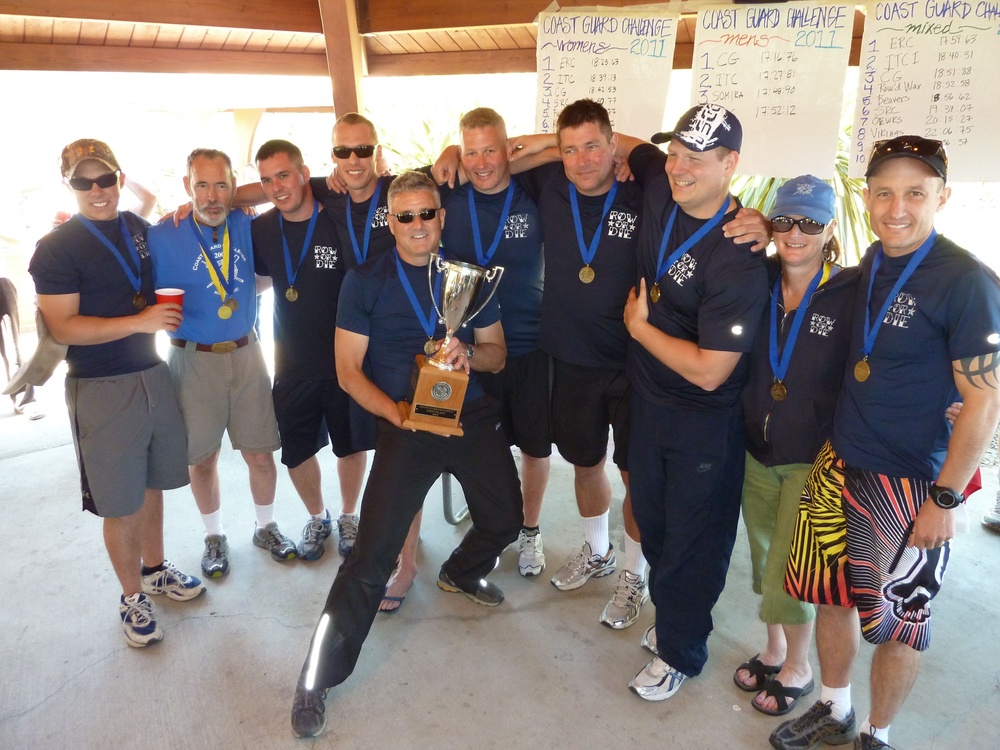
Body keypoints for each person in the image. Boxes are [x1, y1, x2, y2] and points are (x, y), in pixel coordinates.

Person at [771, 136, 1000, 750]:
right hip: (838, 465)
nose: (897, 207)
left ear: (942, 198)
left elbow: (984, 400)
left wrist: (945, 499)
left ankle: (878, 733)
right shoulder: (872, 262)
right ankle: (834, 706)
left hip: (911, 488)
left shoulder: (967, 280)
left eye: (915, 193)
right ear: (867, 197)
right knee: (828, 598)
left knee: (902, 627)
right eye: (885, 192)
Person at [290, 171, 523, 738]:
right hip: (405, 423)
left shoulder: (467, 276)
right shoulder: (365, 280)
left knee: (506, 519)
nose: (418, 225)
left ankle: (460, 573)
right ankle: (315, 679)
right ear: (390, 222)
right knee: (371, 556)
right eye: (405, 217)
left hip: (471, 419)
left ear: (442, 217)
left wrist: (469, 351)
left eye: (427, 214)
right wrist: (398, 416)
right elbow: (348, 372)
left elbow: (498, 355)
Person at [619, 104, 770, 701]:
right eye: (676, 153)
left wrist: (641, 330)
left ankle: (683, 649)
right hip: (648, 405)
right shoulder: (663, 183)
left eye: (696, 160)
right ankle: (674, 617)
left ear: (731, 165)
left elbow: (712, 373)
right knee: (652, 523)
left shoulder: (738, 256)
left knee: (693, 540)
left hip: (702, 422)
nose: (679, 168)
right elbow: (624, 140)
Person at [28, 138, 204, 647]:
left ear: (120, 179)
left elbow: (164, 230)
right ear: (69, 185)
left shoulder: (137, 229)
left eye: (105, 179)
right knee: (119, 503)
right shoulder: (56, 247)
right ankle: (132, 598)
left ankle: (155, 570)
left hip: (152, 373)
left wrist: (188, 210)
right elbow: (62, 327)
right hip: (100, 386)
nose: (97, 190)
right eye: (83, 181)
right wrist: (140, 321)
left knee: (151, 485)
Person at [735, 176, 859, 715]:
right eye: (785, 220)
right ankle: (775, 646)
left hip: (813, 456)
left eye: (810, 223)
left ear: (829, 228)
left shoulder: (852, 289)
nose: (796, 233)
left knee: (791, 560)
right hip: (756, 446)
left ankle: (800, 667)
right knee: (764, 554)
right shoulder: (757, 277)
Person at [148, 148, 289, 579]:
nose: (212, 196)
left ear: (235, 186)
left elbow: (277, 192)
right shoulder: (161, 235)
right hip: (192, 360)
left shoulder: (248, 224)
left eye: (222, 184)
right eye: (202, 185)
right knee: (202, 459)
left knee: (260, 454)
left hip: (247, 354)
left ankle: (265, 527)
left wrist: (240, 198)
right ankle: (214, 536)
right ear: (187, 187)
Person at [438, 107, 551, 578]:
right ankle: (493, 525)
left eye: (491, 149)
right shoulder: (448, 193)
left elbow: (560, 147)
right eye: (470, 151)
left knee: (534, 447)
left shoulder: (535, 191)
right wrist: (447, 155)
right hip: (472, 350)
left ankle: (529, 530)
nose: (481, 162)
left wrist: (526, 143)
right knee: (483, 444)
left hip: (529, 342)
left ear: (509, 149)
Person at [250, 138, 350, 560]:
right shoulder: (260, 228)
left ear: (305, 173)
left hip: (345, 358)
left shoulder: (339, 217)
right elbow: (254, 281)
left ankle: (350, 516)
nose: (277, 187)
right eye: (267, 180)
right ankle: (318, 515)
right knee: (296, 450)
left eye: (284, 175)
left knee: (352, 444)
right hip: (291, 362)